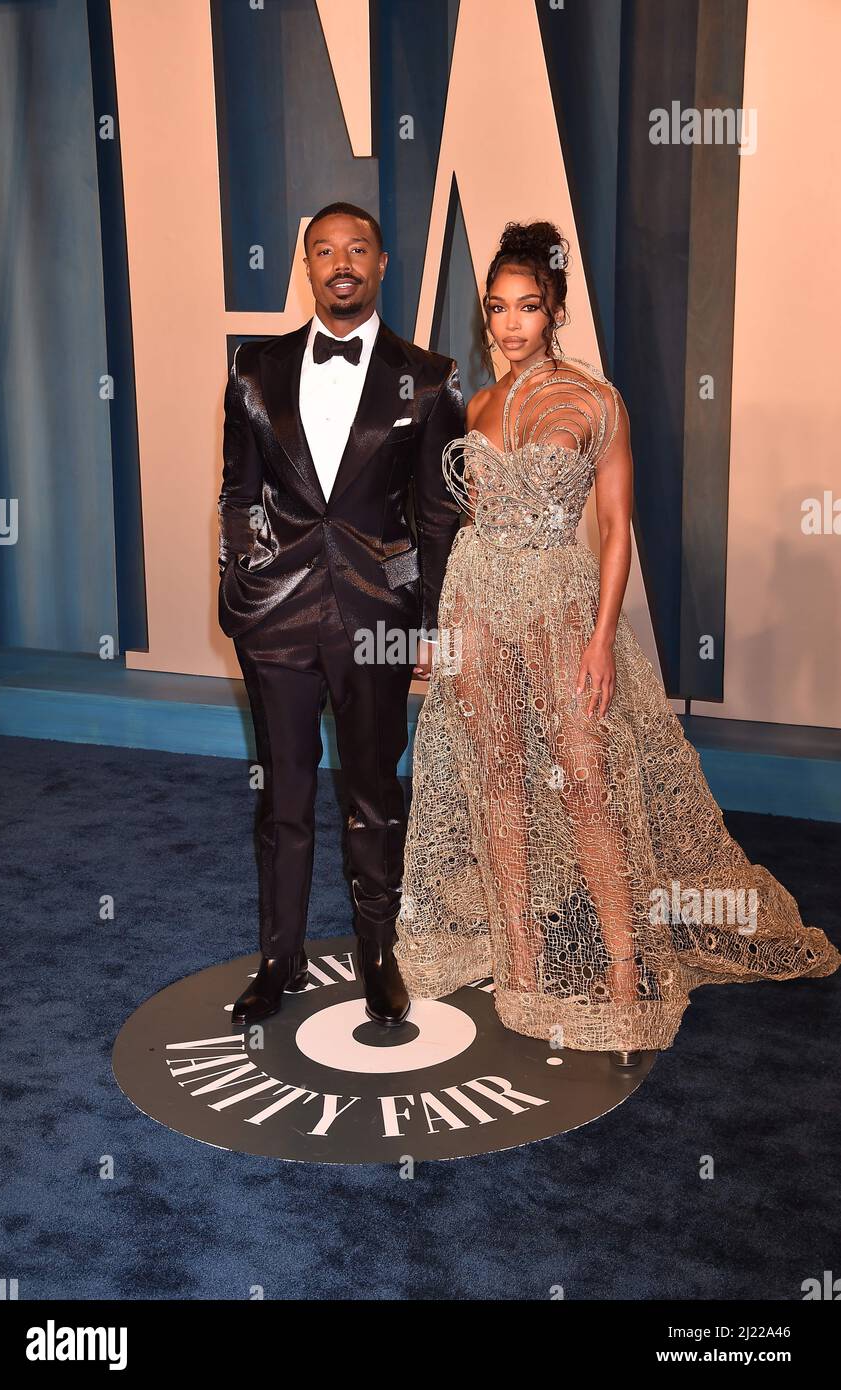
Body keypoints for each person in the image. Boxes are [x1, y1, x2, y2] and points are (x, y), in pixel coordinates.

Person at [394, 220, 840, 1066]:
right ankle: (520, 960)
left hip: (562, 609)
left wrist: (602, 639)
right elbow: (460, 524)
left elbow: (614, 528)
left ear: (554, 307)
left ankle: (628, 963)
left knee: (587, 778)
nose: (510, 323)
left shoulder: (596, 400)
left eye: (527, 306)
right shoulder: (475, 403)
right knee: (497, 779)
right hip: (478, 604)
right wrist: (440, 629)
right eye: (497, 308)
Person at [218, 202, 465, 1029]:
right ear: (307, 268)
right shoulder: (254, 368)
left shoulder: (428, 377)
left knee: (372, 794)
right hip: (275, 619)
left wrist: (428, 622)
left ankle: (379, 955)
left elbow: (437, 514)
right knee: (281, 796)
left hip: (376, 617)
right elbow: (237, 493)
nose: (341, 263)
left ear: (383, 262)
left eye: (356, 248)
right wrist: (244, 580)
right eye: (324, 251)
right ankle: (277, 960)